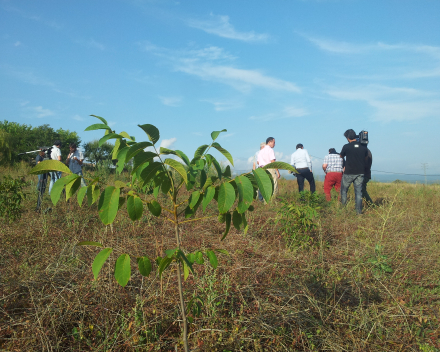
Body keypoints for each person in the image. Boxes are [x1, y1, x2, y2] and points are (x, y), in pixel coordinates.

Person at [340, 129, 368, 215]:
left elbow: (341, 156)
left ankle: (343, 210)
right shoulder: (364, 147)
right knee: (358, 192)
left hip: (349, 172)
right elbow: (366, 157)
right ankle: (359, 212)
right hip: (360, 172)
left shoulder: (346, 146)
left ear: (348, 138)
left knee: (344, 190)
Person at [257, 137, 280, 201]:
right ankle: (272, 200)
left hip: (261, 169)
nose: (274, 144)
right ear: (269, 142)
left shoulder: (261, 151)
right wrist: (277, 171)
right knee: (274, 184)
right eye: (274, 142)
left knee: (263, 185)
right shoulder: (270, 150)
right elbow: (272, 161)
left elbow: (258, 162)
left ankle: (262, 200)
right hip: (269, 168)